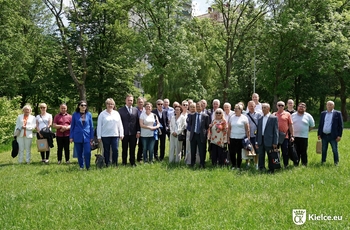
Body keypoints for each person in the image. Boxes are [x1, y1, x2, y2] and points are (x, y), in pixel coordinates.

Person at [97, 98, 124, 167]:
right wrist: (99, 136)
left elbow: (120, 124)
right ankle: (107, 163)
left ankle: (115, 163)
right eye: (108, 104)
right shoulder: (102, 114)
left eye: (111, 104)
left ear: (113, 105)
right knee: (106, 150)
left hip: (115, 135)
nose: (110, 105)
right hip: (105, 135)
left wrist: (121, 133)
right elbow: (99, 126)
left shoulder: (116, 113)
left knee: (115, 149)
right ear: (106, 105)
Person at [70, 100, 94, 170]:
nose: (84, 107)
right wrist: (71, 137)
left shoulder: (89, 114)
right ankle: (81, 166)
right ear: (79, 106)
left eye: (85, 105)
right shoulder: (75, 114)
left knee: (87, 152)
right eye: (82, 105)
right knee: (79, 152)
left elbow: (91, 126)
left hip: (87, 136)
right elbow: (72, 126)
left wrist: (91, 137)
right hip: (77, 136)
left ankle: (88, 166)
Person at [317, 101, 343, 166]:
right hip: (324, 135)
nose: (329, 106)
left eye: (331, 105)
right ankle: (323, 162)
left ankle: (336, 163)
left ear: (333, 106)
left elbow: (341, 126)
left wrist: (339, 135)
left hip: (333, 136)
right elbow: (320, 124)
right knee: (323, 149)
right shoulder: (323, 113)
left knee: (334, 149)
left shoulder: (337, 113)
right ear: (326, 106)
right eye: (328, 105)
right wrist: (319, 134)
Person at [255, 103, 279, 173]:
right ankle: (261, 168)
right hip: (260, 140)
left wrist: (275, 142)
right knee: (261, 155)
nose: (263, 109)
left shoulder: (273, 118)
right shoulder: (260, 118)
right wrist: (256, 142)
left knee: (270, 155)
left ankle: (271, 169)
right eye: (262, 107)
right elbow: (258, 131)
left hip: (270, 140)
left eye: (265, 107)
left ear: (268, 108)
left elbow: (276, 131)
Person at [118, 95, 140, 167]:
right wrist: (120, 133)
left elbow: (137, 121)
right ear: (125, 101)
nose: (130, 102)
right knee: (124, 148)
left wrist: (138, 131)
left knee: (132, 148)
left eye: (131, 100)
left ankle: (132, 162)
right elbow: (119, 122)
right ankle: (124, 162)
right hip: (124, 133)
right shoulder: (120, 110)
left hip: (133, 133)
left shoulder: (135, 110)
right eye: (128, 100)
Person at [227, 103, 250, 170]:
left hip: (241, 138)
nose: (235, 110)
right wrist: (228, 138)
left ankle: (239, 166)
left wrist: (248, 138)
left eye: (237, 109)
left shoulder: (244, 118)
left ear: (241, 110)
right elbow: (229, 128)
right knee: (232, 152)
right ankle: (233, 165)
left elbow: (247, 129)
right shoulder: (232, 117)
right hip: (232, 137)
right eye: (235, 109)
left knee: (239, 153)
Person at [189, 101, 210, 168]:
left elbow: (207, 126)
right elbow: (190, 124)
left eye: (199, 106)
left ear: (202, 107)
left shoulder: (205, 116)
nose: (198, 108)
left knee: (202, 151)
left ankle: (202, 164)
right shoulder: (192, 115)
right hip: (193, 135)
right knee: (193, 151)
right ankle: (193, 164)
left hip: (201, 136)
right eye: (197, 106)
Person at [275, 101, 294, 168]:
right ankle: (276, 165)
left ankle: (286, 165)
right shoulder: (274, 114)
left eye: (282, 105)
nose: (280, 106)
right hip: (275, 137)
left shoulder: (288, 114)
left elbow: (290, 125)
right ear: (276, 106)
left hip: (285, 136)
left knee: (285, 152)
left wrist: (292, 135)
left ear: (284, 106)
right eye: (279, 105)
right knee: (275, 152)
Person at [246, 101, 261, 170]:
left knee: (256, 150)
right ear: (248, 107)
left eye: (252, 106)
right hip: (248, 135)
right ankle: (247, 163)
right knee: (248, 149)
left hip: (256, 136)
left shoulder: (258, 115)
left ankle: (256, 164)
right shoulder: (245, 115)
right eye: (249, 106)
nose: (251, 107)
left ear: (255, 106)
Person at [136, 97, 145, 162]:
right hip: (136, 130)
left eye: (141, 102)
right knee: (135, 145)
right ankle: (137, 158)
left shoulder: (146, 109)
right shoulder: (135, 110)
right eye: (139, 102)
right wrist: (138, 131)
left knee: (142, 145)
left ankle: (141, 158)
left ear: (143, 103)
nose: (140, 103)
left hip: (145, 129)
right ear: (137, 103)